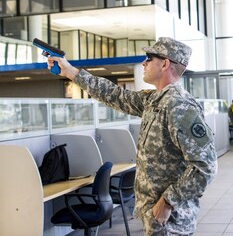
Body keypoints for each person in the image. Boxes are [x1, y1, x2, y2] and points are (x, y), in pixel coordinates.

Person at [47, 37, 217, 235]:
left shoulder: (178, 105)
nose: (143, 63)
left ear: (165, 63)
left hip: (170, 221)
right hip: (155, 218)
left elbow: (206, 166)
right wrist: (70, 71)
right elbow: (114, 94)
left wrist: (168, 202)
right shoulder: (155, 100)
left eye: (149, 58)